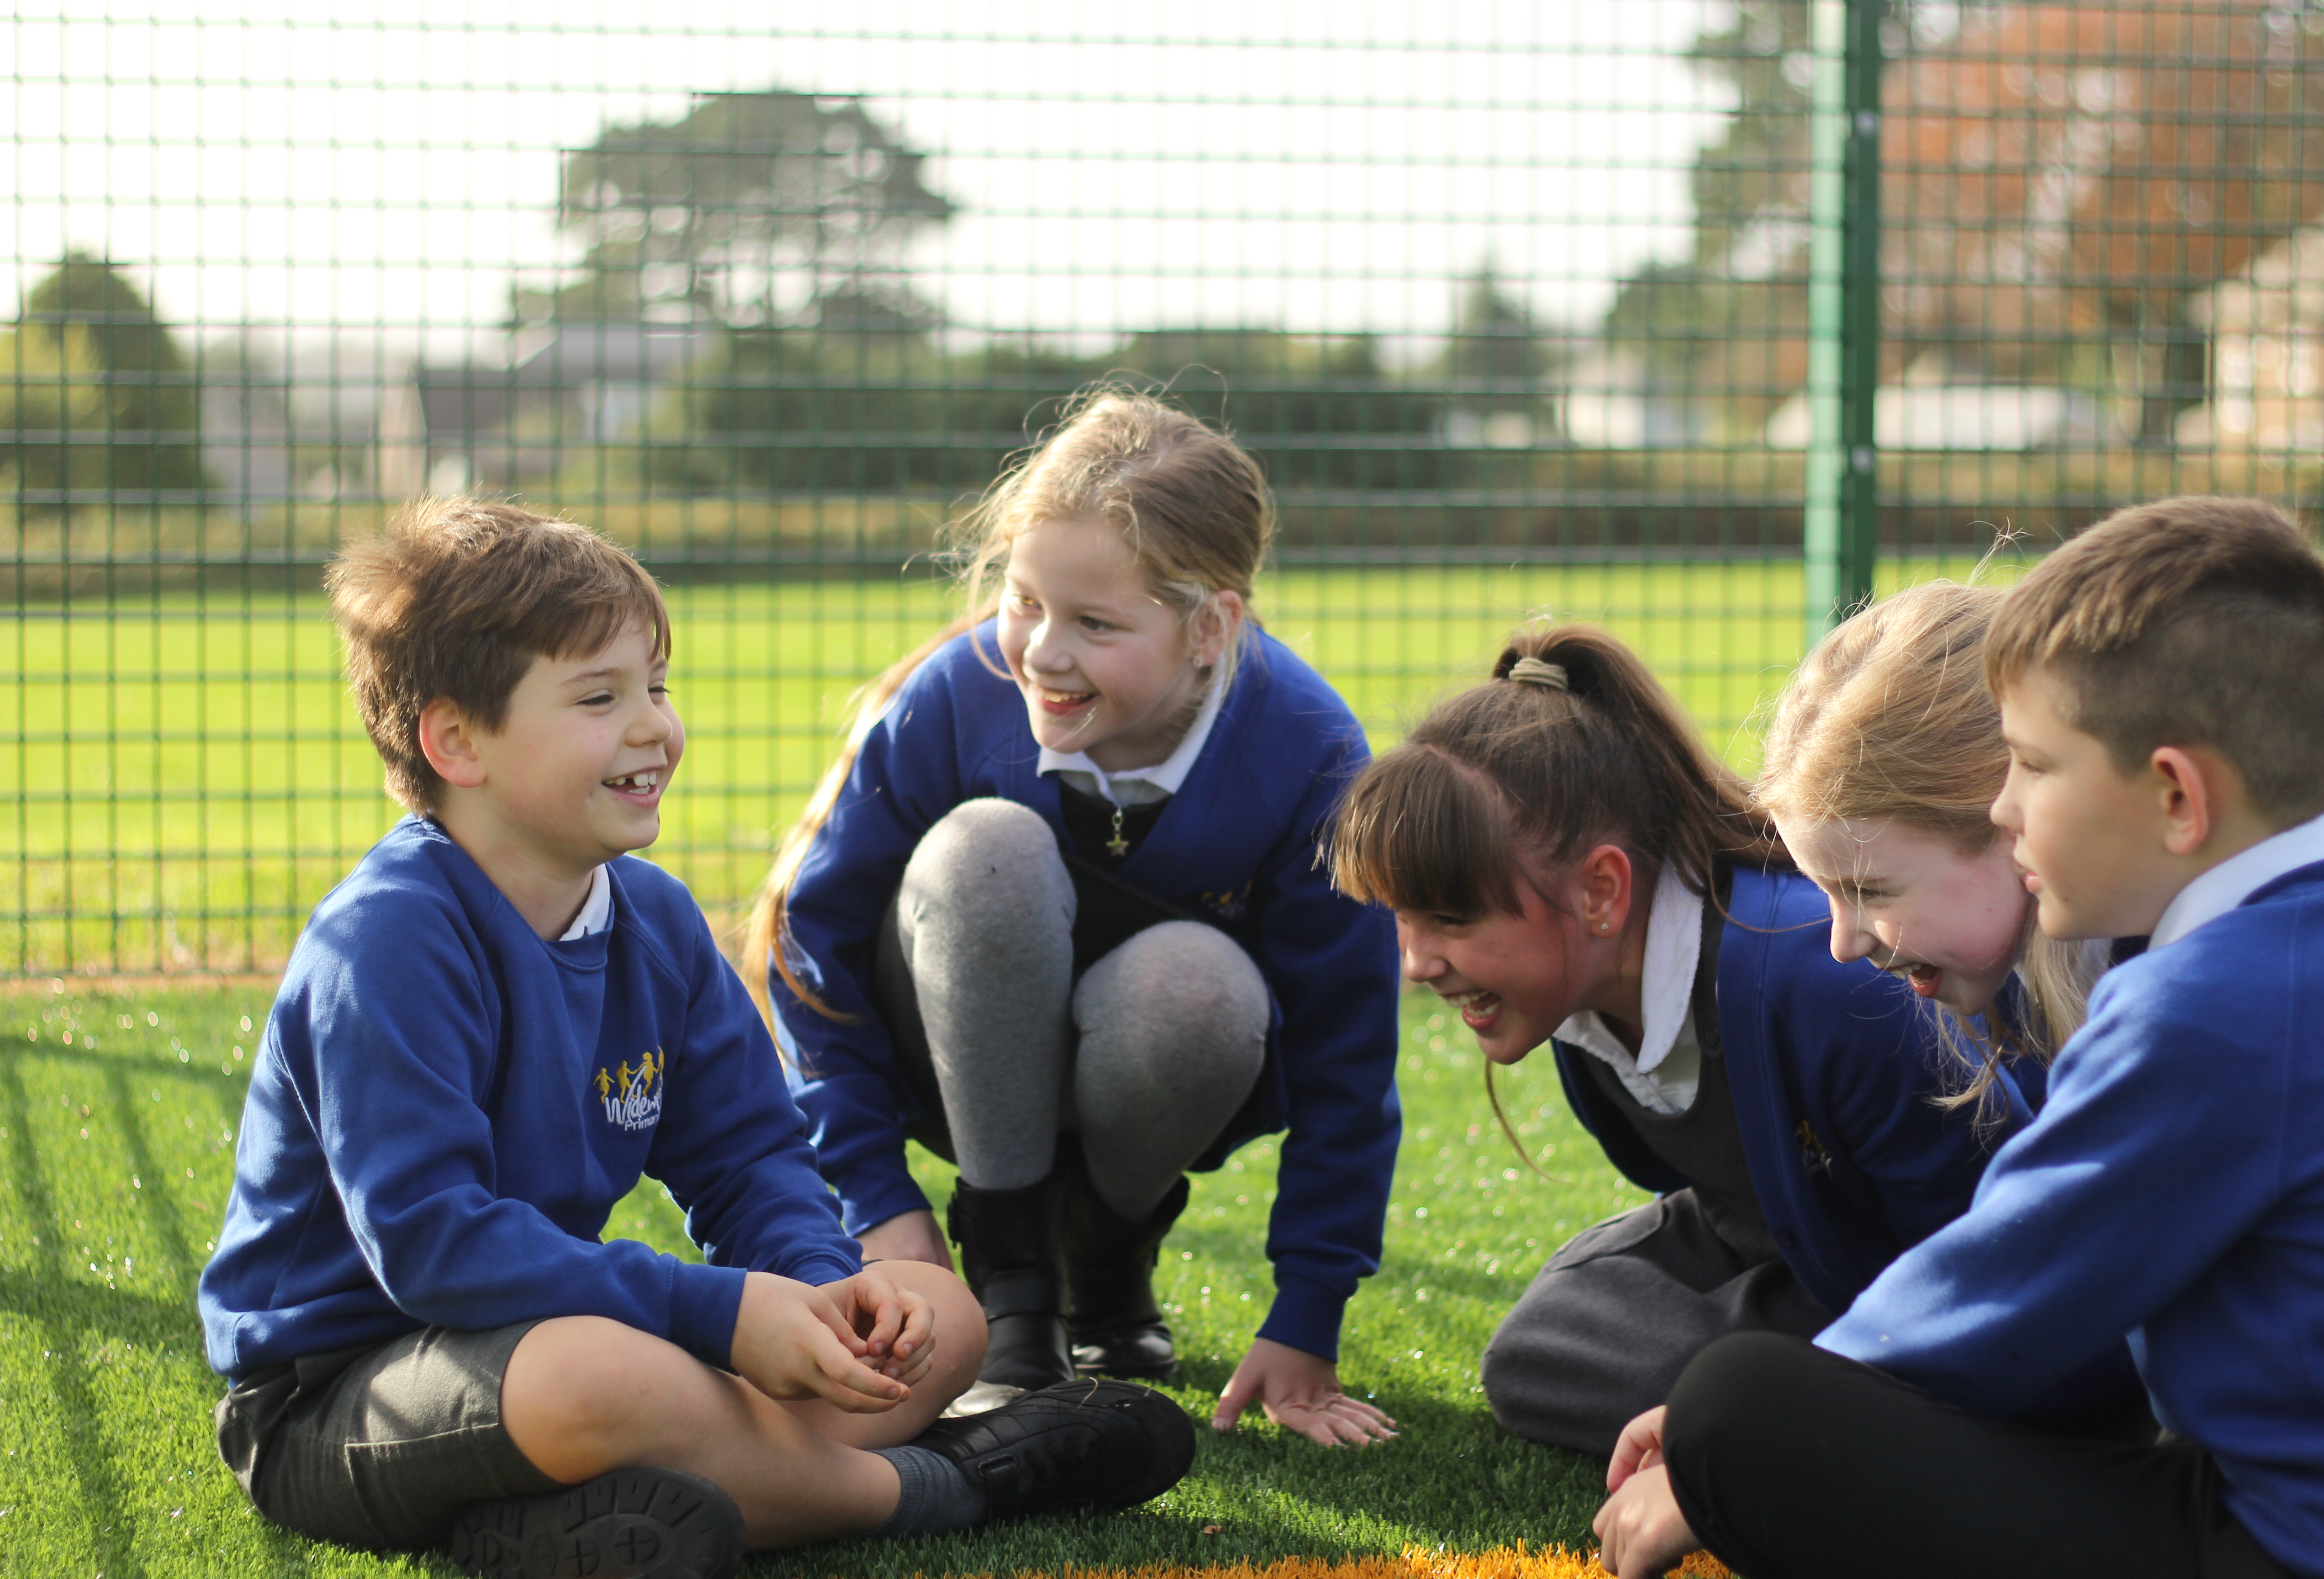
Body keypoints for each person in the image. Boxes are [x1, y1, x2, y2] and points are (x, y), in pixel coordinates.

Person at [198, 500, 1195, 1579]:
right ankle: (946, 1484)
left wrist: (820, 1290)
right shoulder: (389, 937)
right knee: (602, 1378)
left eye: (655, 686)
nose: (652, 726)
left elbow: (748, 1155)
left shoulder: (654, 920)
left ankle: (587, 1521)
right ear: (455, 740)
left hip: (543, 1346)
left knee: (935, 1312)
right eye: (599, 696)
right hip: (344, 1388)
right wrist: (718, 1314)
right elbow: (435, 1244)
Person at [1597, 497, 2324, 1579]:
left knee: (1740, 1402)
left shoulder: (2210, 1004)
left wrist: (1709, 1438)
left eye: (2030, 768)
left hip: (2296, 1541)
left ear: (2174, 797)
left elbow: (2013, 1290)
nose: (2003, 811)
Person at [743, 392, 1402, 1444]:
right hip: (946, 1061)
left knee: (1200, 978)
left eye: (1095, 623)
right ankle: (1010, 1276)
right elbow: (803, 947)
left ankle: (1107, 1253)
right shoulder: (955, 695)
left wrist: (1308, 1309)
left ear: (1209, 627)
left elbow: (1347, 1050)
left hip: (1161, 1072)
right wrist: (878, 1205)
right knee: (987, 850)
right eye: (1023, 598)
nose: (1042, 652)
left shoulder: (1310, 749)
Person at [1326, 621, 2061, 1459]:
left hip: (1930, 1282)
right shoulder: (1577, 993)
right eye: (1400, 920)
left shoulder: (1824, 983)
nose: (1416, 964)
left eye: (1450, 919)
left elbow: (1989, 1238)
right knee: (1537, 1355)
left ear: (1600, 890)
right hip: (1797, 1253)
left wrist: (1827, 1380)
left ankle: (1807, 1401)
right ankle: (1782, 1388)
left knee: (1714, 1385)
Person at [1755, 578, 2107, 1097]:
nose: (1843, 946)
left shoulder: (2174, 987)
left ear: (2013, 818)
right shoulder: (2027, 986)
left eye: (1869, 890)